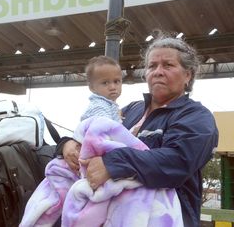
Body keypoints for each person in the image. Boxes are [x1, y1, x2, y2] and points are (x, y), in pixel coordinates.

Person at [57, 32, 218, 227]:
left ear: (187, 75)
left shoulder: (196, 116)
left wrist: (111, 163)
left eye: (168, 65)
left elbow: (178, 161)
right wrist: (67, 145)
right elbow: (94, 134)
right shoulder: (130, 110)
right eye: (152, 66)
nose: (158, 71)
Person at [57, 55, 123, 173]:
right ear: (92, 88)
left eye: (116, 81)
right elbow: (104, 133)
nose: (113, 87)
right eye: (105, 83)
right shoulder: (100, 106)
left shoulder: (111, 106)